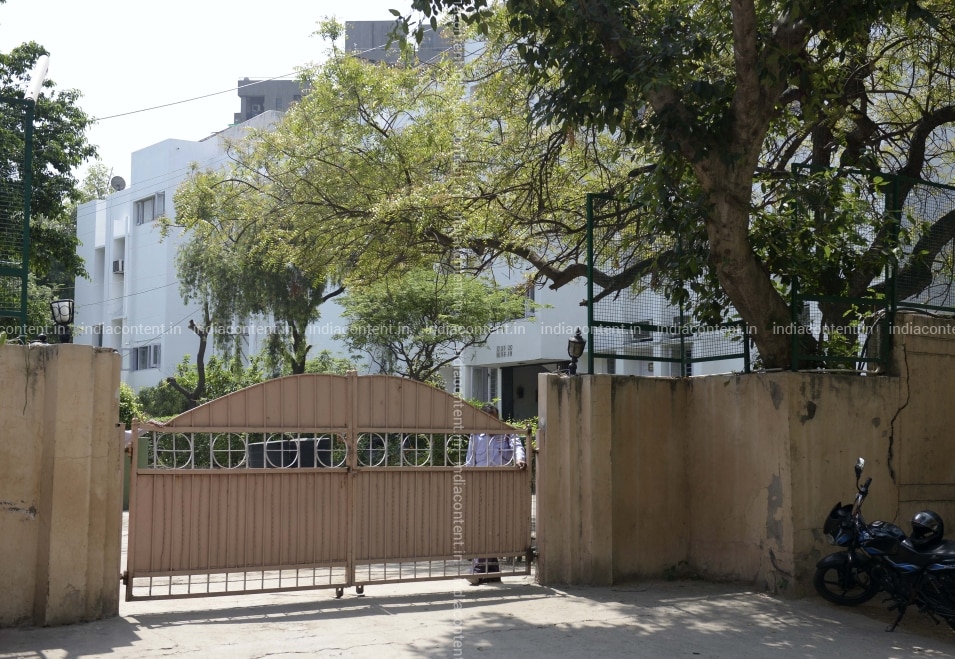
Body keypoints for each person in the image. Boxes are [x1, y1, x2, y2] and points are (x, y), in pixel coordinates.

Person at [466, 402, 526, 585]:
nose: (492, 423)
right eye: (488, 419)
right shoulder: (476, 435)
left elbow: (518, 447)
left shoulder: (507, 433)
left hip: (500, 484)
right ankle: (491, 571)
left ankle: (479, 570)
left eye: (495, 419)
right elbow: (470, 459)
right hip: (479, 484)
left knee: (490, 525)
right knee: (482, 525)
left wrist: (520, 460)